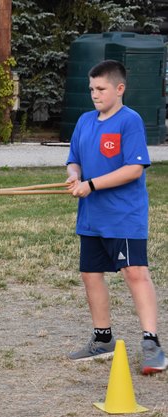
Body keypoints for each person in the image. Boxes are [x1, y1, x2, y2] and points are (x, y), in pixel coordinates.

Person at [65, 59, 166, 375]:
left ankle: (152, 344)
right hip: (91, 217)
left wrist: (91, 184)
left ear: (119, 88)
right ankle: (102, 339)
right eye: (91, 89)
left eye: (101, 88)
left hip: (123, 216)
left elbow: (134, 168)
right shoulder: (85, 121)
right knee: (90, 274)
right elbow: (74, 160)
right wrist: (74, 175)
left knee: (135, 273)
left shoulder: (129, 121)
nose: (95, 94)